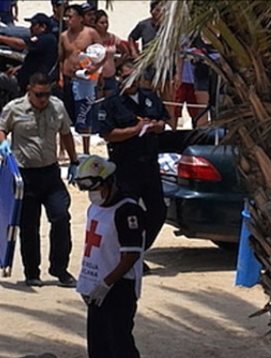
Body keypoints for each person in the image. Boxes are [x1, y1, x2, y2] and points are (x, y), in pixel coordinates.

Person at [72, 154, 156, 358]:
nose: (92, 194)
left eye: (95, 188)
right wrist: (88, 284)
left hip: (119, 287)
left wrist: (108, 282)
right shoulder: (95, 209)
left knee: (121, 343)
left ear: (109, 183)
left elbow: (130, 254)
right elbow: (93, 250)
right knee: (97, 342)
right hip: (96, 286)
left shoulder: (128, 211)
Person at [0, 71, 77, 287]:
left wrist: (74, 161)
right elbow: (2, 128)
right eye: (39, 94)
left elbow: (66, 134)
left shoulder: (57, 107)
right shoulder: (14, 108)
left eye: (46, 94)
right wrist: (2, 144)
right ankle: (32, 272)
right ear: (29, 91)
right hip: (25, 176)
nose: (43, 99)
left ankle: (60, 269)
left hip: (50, 174)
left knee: (61, 218)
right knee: (29, 226)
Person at [94, 57, 168, 252]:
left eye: (135, 77)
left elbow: (163, 121)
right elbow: (108, 134)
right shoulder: (112, 103)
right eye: (127, 77)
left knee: (158, 211)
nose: (131, 81)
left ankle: (139, 249)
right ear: (119, 78)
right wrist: (136, 130)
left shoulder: (150, 97)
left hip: (149, 165)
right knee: (127, 212)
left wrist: (156, 126)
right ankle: (124, 252)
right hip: (125, 167)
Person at [57, 3, 100, 154]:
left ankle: (86, 150)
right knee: (65, 115)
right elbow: (61, 59)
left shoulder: (91, 33)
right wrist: (60, 77)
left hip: (85, 80)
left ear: (80, 18)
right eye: (67, 17)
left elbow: (99, 55)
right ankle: (63, 149)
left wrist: (94, 72)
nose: (68, 19)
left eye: (71, 16)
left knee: (84, 115)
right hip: (69, 78)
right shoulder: (63, 36)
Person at [0, 11, 57, 91]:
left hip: (31, 83)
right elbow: (38, 61)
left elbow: (20, 44)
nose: (30, 28)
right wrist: (20, 68)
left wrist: (1, 38)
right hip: (26, 78)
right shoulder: (47, 39)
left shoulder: (46, 39)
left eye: (33, 25)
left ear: (43, 27)